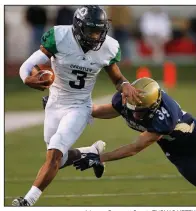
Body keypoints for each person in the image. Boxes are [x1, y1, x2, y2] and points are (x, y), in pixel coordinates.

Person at [12, 5, 142, 206]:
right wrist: (26, 79)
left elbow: (117, 78)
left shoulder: (108, 46)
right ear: (78, 28)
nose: (96, 36)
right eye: (91, 30)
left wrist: (124, 85)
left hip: (79, 106)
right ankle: (90, 152)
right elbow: (27, 66)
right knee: (58, 159)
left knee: (55, 152)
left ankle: (27, 201)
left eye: (99, 30)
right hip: (54, 103)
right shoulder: (60, 37)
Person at [73, 77, 196, 187]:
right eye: (132, 108)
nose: (135, 114)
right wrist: (71, 111)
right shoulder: (126, 100)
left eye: (141, 111)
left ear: (154, 106)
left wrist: (100, 158)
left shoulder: (165, 118)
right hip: (177, 153)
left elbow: (134, 148)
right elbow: (101, 111)